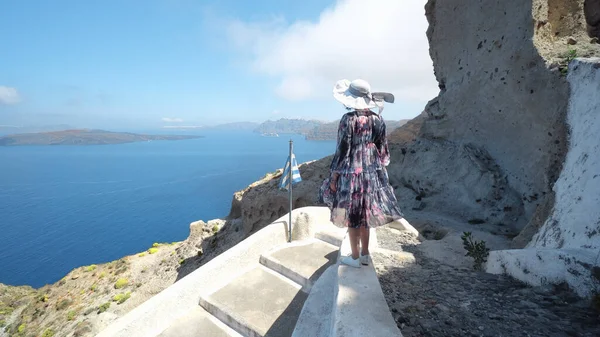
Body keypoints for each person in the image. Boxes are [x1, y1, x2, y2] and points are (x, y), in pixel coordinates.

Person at [319, 79, 404, 268]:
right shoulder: (377, 119)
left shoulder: (348, 120)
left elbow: (342, 151)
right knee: (366, 215)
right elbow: (383, 150)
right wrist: (380, 169)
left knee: (352, 216)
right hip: (372, 172)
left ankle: (355, 257)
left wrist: (334, 176)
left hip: (351, 174)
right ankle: (365, 255)